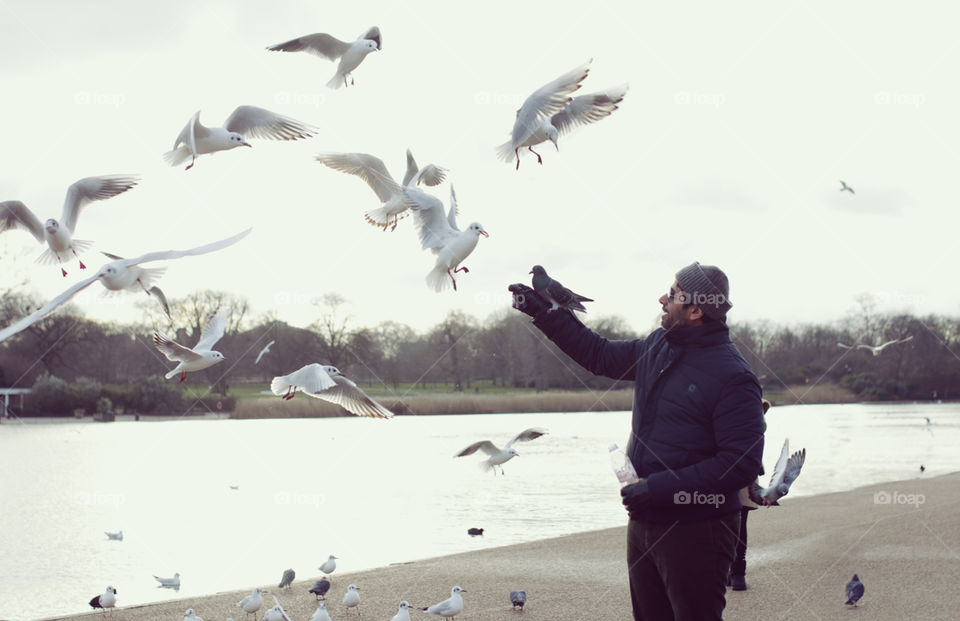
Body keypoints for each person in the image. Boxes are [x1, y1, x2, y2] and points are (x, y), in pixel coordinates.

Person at [509, 261, 765, 621]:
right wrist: (546, 313)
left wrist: (658, 488)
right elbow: (597, 354)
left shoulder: (733, 376)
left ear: (696, 310)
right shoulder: (658, 345)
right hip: (645, 522)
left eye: (673, 294)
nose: (662, 298)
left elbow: (741, 463)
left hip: (699, 530)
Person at [729, 398, 771, 591]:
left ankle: (729, 572)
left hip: (725, 476)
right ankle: (738, 574)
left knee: (722, 526)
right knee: (741, 525)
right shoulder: (756, 425)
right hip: (747, 477)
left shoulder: (728, 419)